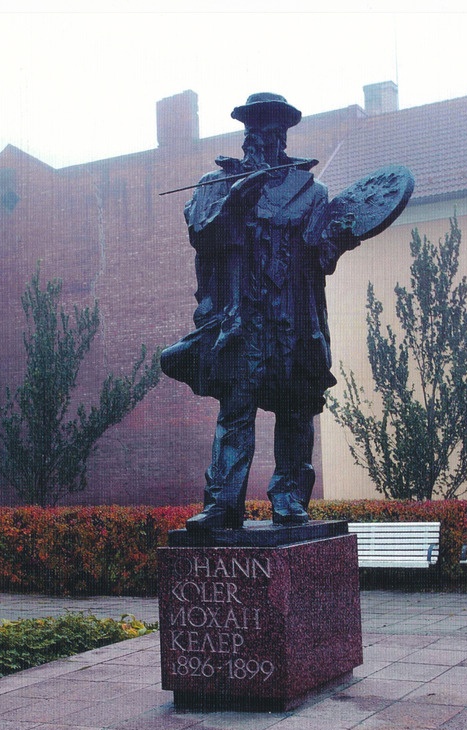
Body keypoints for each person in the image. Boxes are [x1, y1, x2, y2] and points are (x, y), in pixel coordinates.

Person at [161, 93, 359, 531]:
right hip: (242, 320)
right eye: (252, 129)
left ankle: (289, 498)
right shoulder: (217, 183)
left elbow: (321, 255)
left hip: (292, 318)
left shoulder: (309, 191)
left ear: (282, 136)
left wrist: (341, 238)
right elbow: (201, 236)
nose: (259, 138)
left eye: (269, 131)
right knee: (236, 411)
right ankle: (223, 505)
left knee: (295, 411)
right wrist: (233, 203)